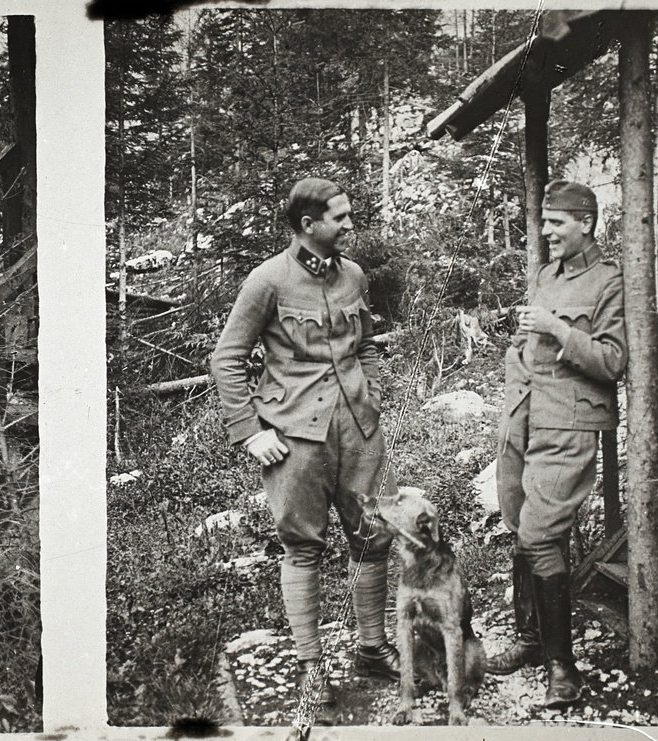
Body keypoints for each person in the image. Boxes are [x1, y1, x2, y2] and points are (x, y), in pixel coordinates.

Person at [209, 177, 399, 720]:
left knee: (373, 537)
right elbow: (226, 358)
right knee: (303, 547)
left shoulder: (354, 275)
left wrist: (373, 395)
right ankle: (311, 667)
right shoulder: (267, 280)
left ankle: (371, 646)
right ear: (308, 225)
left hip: (358, 430)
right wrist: (250, 431)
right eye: (339, 217)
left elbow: (363, 345)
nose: (349, 224)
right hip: (295, 437)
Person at [484, 179, 627, 709]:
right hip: (524, 415)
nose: (546, 232)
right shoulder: (546, 275)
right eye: (544, 222)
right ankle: (530, 641)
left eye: (556, 223)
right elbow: (526, 341)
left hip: (568, 422)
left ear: (585, 223)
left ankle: (563, 667)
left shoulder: (610, 281)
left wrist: (558, 330)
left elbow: (614, 360)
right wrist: (518, 357)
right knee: (519, 523)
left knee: (540, 534)